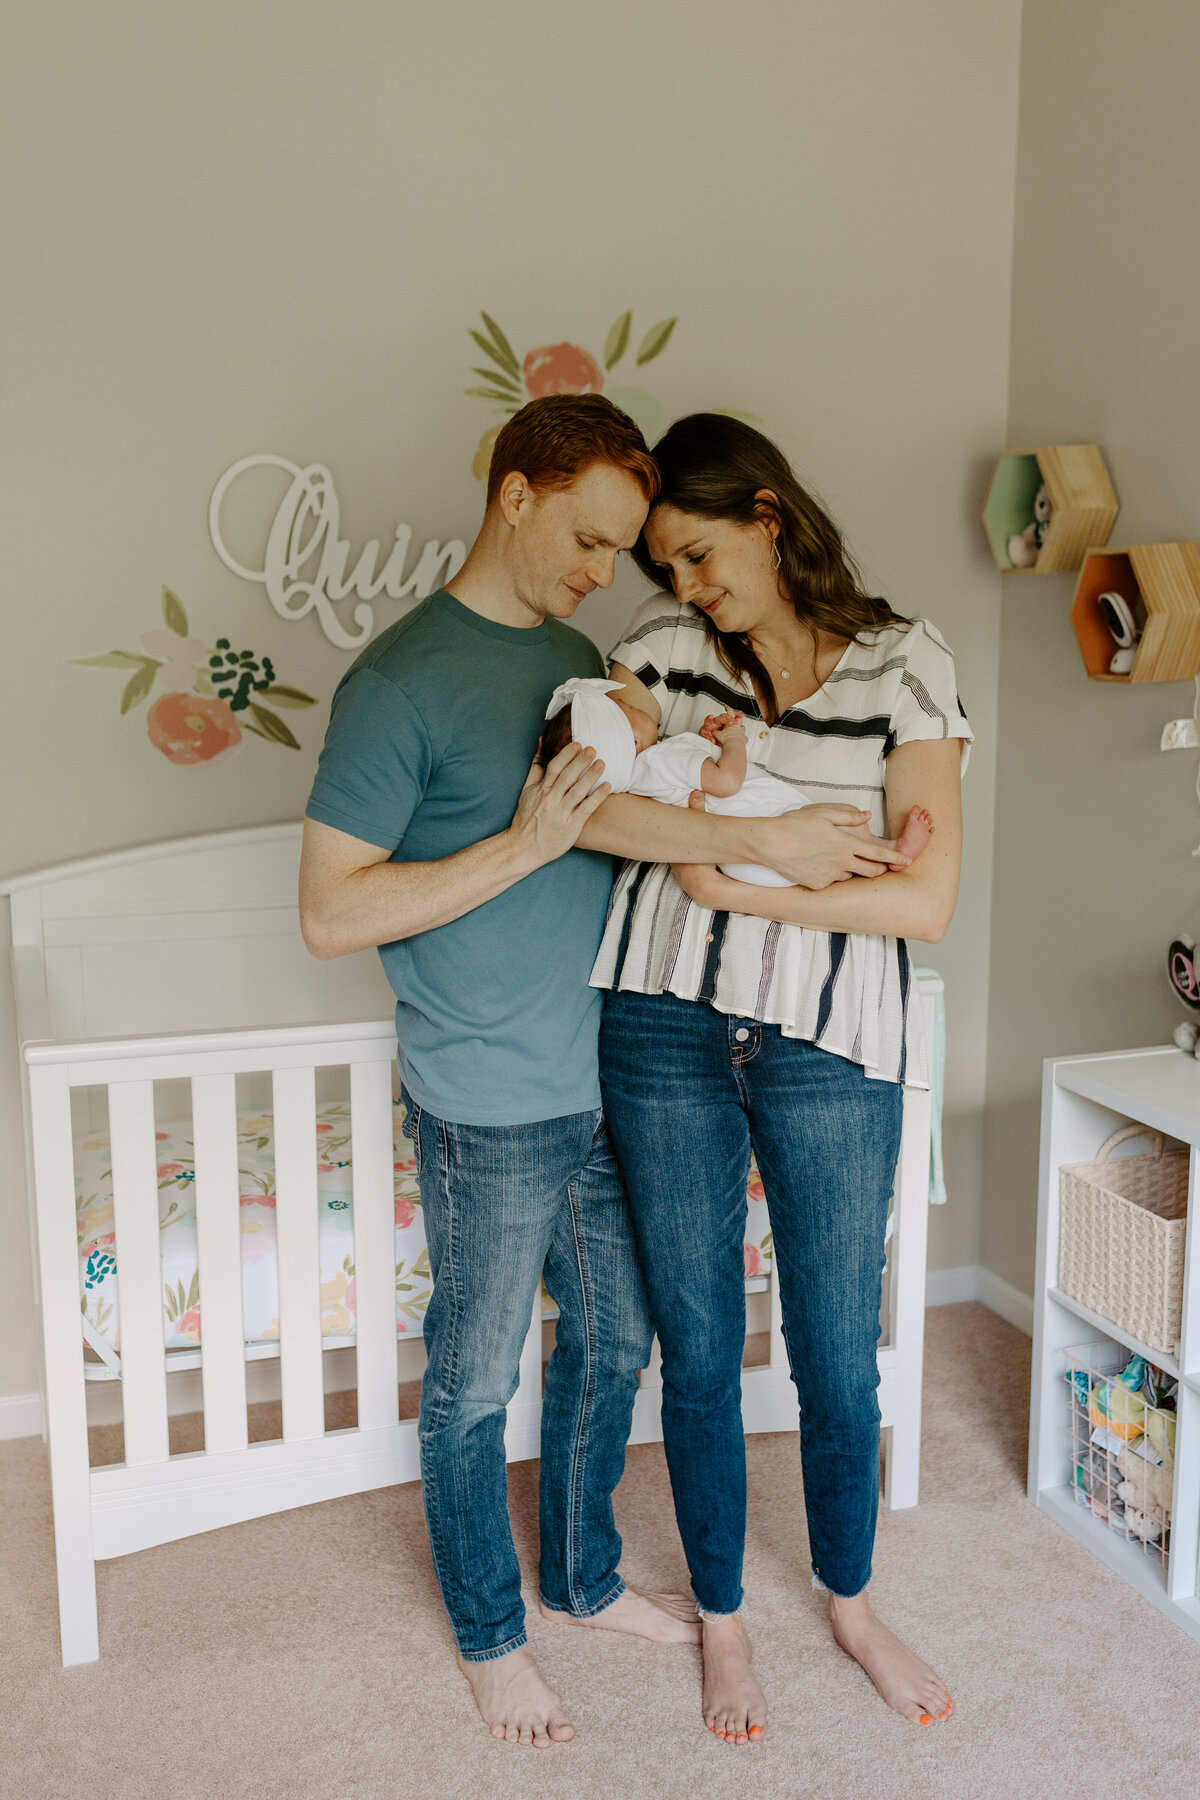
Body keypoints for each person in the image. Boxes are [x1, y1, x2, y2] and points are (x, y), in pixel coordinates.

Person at [298, 394, 903, 1750]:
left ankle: (577, 1579)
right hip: (488, 1101)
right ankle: (490, 1637)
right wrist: (518, 847)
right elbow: (331, 914)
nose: (600, 570)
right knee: (472, 1383)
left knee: (620, 1339)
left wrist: (730, 787)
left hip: (598, 1079)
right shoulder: (399, 683)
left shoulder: (579, 659)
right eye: (585, 535)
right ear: (515, 493)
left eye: (622, 548)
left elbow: (630, 817)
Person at [592, 412, 972, 1745]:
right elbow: (583, 792)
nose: (689, 587)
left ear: (765, 511)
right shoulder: (659, 655)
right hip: (662, 1026)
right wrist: (798, 850)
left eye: (699, 554)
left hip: (831, 1041)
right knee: (697, 1351)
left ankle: (852, 1604)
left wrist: (729, 872)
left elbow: (924, 902)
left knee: (833, 1353)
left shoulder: (906, 665)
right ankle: (728, 1621)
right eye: (668, 568)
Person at [538, 679, 934, 882]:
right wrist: (734, 742)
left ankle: (882, 856)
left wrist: (702, 738)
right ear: (630, 737)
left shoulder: (638, 780)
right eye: (624, 707)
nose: (632, 703)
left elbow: (688, 774)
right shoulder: (663, 757)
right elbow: (726, 781)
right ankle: (888, 850)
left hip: (743, 868)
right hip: (762, 824)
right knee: (839, 820)